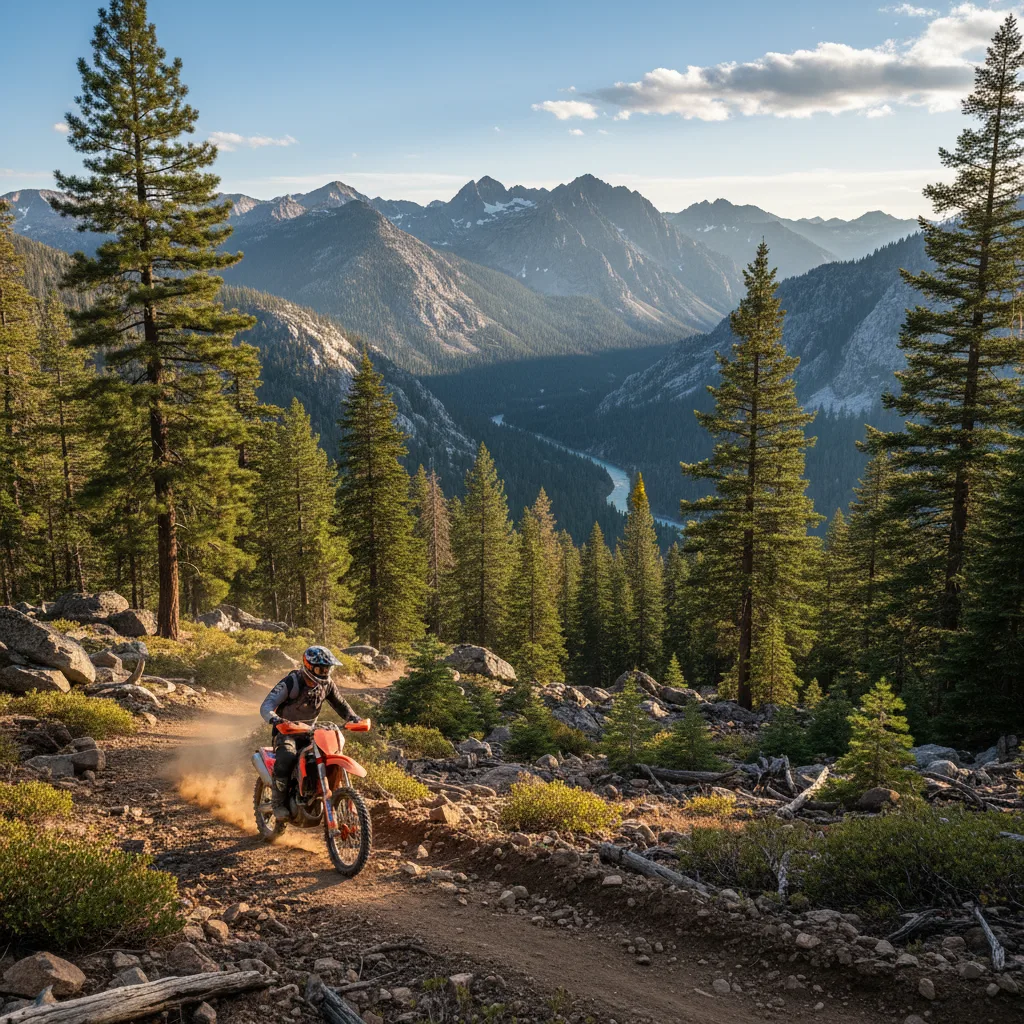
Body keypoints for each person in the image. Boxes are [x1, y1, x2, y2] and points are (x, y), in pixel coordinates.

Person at [260, 645, 362, 819]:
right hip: (287, 732)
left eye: (327, 668)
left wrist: (353, 718)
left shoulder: (327, 684)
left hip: (310, 733)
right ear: (309, 666)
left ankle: (324, 793)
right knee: (287, 756)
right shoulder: (292, 681)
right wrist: (276, 720)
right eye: (321, 668)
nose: (324, 672)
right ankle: (278, 803)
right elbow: (266, 705)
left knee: (330, 753)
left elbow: (341, 704)